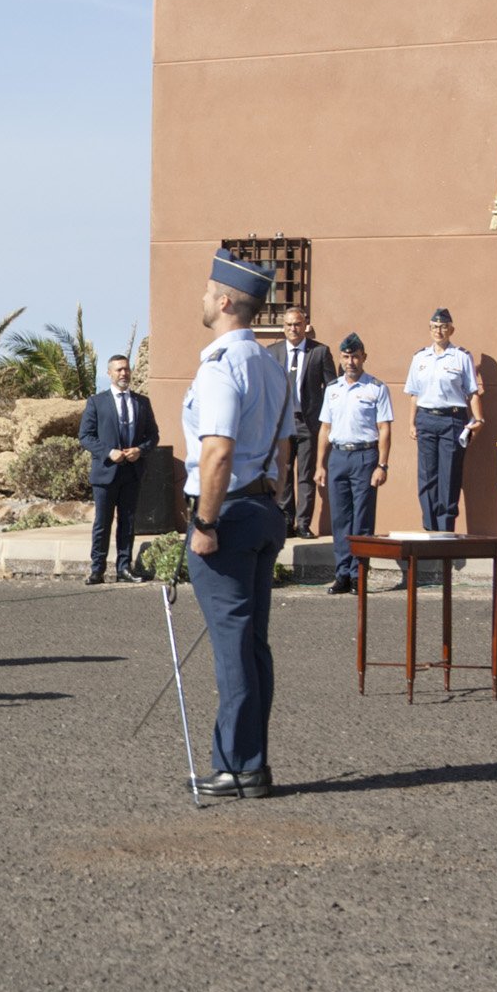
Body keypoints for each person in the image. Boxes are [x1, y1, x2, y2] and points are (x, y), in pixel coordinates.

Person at [180, 247, 295, 798]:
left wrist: (204, 523)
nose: (202, 298)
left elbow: (218, 452)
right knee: (253, 646)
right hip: (262, 507)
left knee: (233, 646)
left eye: (207, 291)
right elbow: (283, 445)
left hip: (225, 512)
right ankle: (252, 763)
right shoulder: (272, 366)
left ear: (225, 302)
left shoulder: (222, 367)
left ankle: (236, 765)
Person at [315, 333, 391, 595]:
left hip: (364, 457)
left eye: (355, 356)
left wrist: (382, 465)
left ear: (364, 358)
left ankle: (359, 575)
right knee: (340, 520)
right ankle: (342, 574)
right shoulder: (333, 390)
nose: (351, 361)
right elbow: (325, 428)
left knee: (362, 520)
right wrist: (320, 465)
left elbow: (384, 429)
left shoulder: (376, 388)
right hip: (338, 457)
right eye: (346, 357)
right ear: (341, 358)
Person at [78, 353, 157, 584]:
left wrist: (140, 450)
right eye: (119, 370)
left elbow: (153, 435)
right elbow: (85, 436)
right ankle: (97, 569)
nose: (124, 373)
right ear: (109, 373)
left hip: (131, 472)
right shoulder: (97, 402)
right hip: (105, 472)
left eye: (126, 369)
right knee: (102, 522)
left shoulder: (142, 402)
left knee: (128, 522)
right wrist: (108, 451)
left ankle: (124, 567)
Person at [403, 308, 482, 530]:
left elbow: (471, 392)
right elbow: (414, 395)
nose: (439, 331)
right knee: (427, 476)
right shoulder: (419, 358)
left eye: (444, 327)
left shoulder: (462, 357)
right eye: (435, 327)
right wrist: (412, 423)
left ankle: (445, 528)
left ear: (451, 330)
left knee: (449, 476)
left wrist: (479, 419)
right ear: (430, 329)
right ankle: (430, 528)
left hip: (452, 421)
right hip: (426, 419)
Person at [263, 306, 333, 537]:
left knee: (305, 474)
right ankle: (285, 521)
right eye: (289, 325)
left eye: (297, 324)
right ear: (283, 328)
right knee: (283, 471)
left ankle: (303, 523)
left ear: (305, 326)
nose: (293, 328)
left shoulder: (320, 352)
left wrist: (326, 421)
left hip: (308, 423)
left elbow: (332, 390)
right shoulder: (272, 352)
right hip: (281, 422)